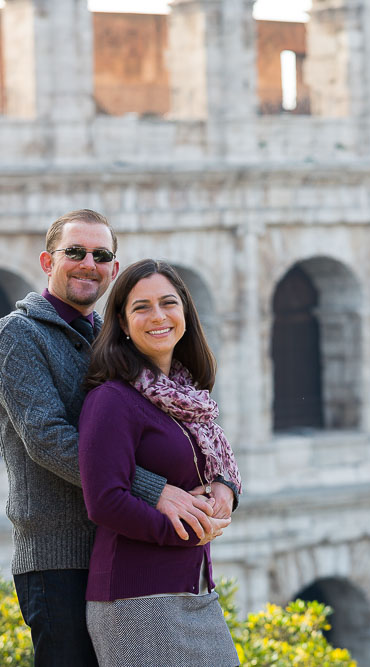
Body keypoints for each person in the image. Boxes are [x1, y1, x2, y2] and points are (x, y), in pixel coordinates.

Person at [0, 210, 234, 666]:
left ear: (113, 269)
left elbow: (173, 425)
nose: (88, 263)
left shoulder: (112, 339)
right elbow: (49, 440)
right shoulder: (15, 335)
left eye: (101, 255)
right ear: (47, 260)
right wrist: (153, 491)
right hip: (58, 555)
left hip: (125, 547)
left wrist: (224, 482)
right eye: (74, 252)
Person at [78, 259, 241, 667]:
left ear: (185, 310)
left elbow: (207, 462)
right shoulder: (111, 400)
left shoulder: (188, 397)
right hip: (136, 599)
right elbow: (105, 500)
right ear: (122, 321)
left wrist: (225, 485)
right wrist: (186, 532)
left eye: (168, 303)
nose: (158, 317)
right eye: (141, 307)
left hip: (195, 590)